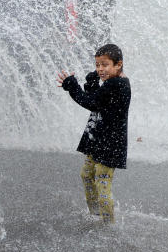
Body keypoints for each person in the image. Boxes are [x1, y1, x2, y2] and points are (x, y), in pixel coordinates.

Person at [56, 43, 131, 224]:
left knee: (101, 181)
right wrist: (92, 83)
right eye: (97, 65)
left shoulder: (116, 84)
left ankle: (108, 223)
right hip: (99, 140)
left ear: (118, 64)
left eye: (104, 65)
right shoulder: (112, 83)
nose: (100, 69)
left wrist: (72, 86)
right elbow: (98, 99)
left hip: (109, 144)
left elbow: (90, 102)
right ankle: (95, 214)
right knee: (87, 174)